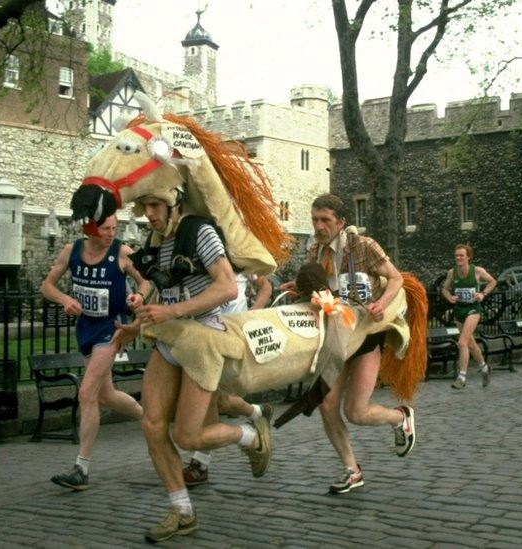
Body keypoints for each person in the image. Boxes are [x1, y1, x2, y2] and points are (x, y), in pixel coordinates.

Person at [111, 191, 272, 543]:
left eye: (155, 206)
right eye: (144, 207)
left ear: (175, 202)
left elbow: (228, 287)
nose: (148, 214)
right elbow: (163, 290)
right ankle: (181, 510)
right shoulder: (157, 238)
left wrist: (169, 311)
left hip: (203, 340)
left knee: (187, 436)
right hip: (171, 338)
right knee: (152, 425)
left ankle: (250, 435)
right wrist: (142, 308)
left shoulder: (199, 230)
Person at [281, 193, 415, 495]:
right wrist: (300, 290)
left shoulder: (362, 246)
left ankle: (400, 417)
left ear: (341, 222)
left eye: (325, 220)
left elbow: (395, 279)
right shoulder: (314, 251)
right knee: (328, 406)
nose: (318, 226)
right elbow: (323, 292)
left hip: (366, 334)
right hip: (336, 334)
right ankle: (352, 470)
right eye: (315, 219)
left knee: (356, 411)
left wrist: (381, 303)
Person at [42, 214, 150, 491]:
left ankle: (82, 468)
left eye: (114, 228)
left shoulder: (122, 253)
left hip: (111, 330)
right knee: (106, 395)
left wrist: (139, 296)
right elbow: (47, 286)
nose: (111, 234)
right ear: (90, 228)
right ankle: (149, 418)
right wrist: (65, 299)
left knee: (87, 392)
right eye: (105, 229)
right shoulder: (72, 251)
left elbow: (146, 282)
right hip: (86, 329)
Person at [181, 271, 275, 487]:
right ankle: (259, 412)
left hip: (229, 338)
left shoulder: (238, 260)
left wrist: (251, 314)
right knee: (218, 400)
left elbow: (266, 286)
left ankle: (202, 463)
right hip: (206, 336)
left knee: (212, 398)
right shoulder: (202, 264)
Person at [441, 244, 497, 389]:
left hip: (473, 310)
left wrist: (482, 294)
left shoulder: (477, 271)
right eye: (456, 255)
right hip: (459, 310)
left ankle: (462, 377)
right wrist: (449, 297)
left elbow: (492, 281)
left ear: (468, 257)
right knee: (470, 344)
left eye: (461, 255)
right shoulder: (452, 273)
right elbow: (445, 289)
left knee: (462, 343)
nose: (458, 258)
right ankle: (484, 368)